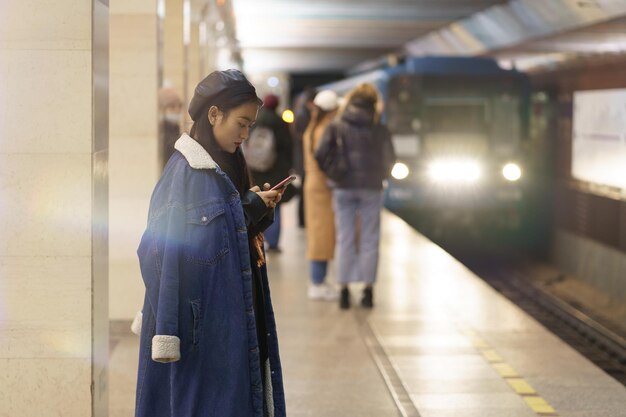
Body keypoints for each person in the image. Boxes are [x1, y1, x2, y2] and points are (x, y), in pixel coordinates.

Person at [134, 69, 286, 417]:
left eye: (250, 126)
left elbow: (222, 237)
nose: (245, 135)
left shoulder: (222, 167)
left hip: (230, 319)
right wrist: (168, 330)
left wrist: (255, 209)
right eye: (242, 124)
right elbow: (159, 254)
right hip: (203, 331)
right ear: (214, 114)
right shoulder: (183, 175)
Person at [315, 83, 395, 309]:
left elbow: (320, 154)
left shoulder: (337, 124)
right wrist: (380, 174)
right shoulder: (379, 126)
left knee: (345, 236)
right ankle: (368, 291)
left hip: (343, 187)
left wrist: (335, 174)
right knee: (370, 237)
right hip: (371, 187)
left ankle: (343, 289)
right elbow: (391, 158)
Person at [302, 90, 340, 300]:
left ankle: (319, 280)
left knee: (320, 235)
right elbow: (325, 159)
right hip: (322, 186)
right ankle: (317, 282)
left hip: (314, 184)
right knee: (321, 237)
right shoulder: (324, 129)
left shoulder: (312, 127)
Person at [246, 94, 293, 252]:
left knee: (259, 199)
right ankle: (273, 242)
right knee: (274, 203)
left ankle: (259, 237)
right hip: (276, 169)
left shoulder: (256, 120)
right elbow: (287, 147)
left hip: (256, 169)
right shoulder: (280, 122)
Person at [292, 87, 316, 228]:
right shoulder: (303, 115)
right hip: (303, 159)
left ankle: (303, 219)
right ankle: (302, 220)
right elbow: (303, 138)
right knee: (303, 191)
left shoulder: (302, 113)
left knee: (304, 190)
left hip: (303, 158)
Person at [158, 86, 183, 171]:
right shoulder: (161, 135)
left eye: (180, 106)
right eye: (171, 106)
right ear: (160, 109)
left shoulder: (176, 130)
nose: (177, 110)